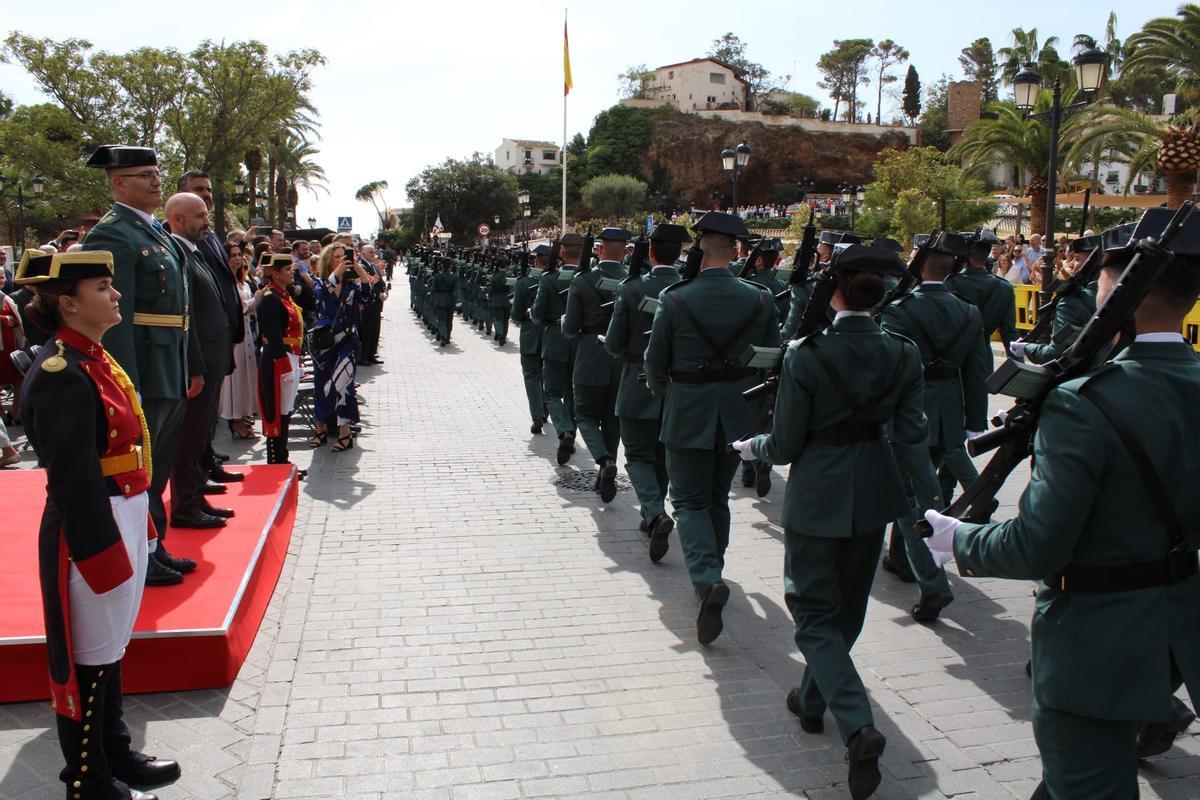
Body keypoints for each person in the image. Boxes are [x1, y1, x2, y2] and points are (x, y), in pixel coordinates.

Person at [923, 207, 1200, 800]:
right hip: (1178, 621)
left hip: (1098, 635)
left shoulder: (1083, 403)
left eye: (1102, 276)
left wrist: (958, 541)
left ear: (1121, 293)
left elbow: (1038, 543)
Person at [732, 243, 938, 800]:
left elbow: (785, 443)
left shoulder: (807, 353)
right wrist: (931, 499)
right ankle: (812, 699)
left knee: (811, 612)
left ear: (837, 289)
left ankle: (858, 725)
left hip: (819, 492)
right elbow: (913, 436)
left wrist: (752, 447)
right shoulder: (903, 352)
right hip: (875, 490)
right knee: (845, 608)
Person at [17, 249, 181, 800]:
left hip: (124, 509)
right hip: (92, 524)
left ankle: (114, 751)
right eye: (102, 289)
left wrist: (145, 524)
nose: (115, 296)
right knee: (90, 659)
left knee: (111, 649)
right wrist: (100, 550)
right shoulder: (62, 371)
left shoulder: (92, 357)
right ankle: (87, 778)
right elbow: (73, 477)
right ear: (68, 303)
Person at [644, 211, 780, 644]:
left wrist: (666, 393)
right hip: (738, 413)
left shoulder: (676, 296)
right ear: (739, 250)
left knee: (686, 500)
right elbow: (772, 356)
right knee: (717, 498)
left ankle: (707, 580)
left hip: (687, 409)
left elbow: (654, 363)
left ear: (699, 245)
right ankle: (714, 568)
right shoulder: (759, 299)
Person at [81, 145, 196, 587]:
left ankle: (155, 547)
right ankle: (142, 554)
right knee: (139, 470)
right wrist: (124, 383)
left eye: (156, 172)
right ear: (118, 183)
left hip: (169, 362)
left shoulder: (153, 231)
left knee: (157, 466)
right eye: (144, 174)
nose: (155, 180)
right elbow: (114, 320)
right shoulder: (114, 235)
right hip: (144, 365)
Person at [879, 234, 990, 620]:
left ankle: (933, 584)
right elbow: (978, 372)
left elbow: (891, 371)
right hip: (949, 413)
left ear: (919, 264)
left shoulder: (900, 310)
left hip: (909, 414)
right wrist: (974, 422)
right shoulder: (967, 310)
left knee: (910, 500)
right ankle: (901, 558)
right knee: (923, 492)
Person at [605, 224, 685, 560]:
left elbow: (613, 343)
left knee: (637, 455)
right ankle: (651, 513)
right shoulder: (686, 287)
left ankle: (653, 511)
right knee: (662, 452)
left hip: (637, 380)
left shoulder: (632, 287)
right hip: (677, 386)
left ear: (650, 253)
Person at [166, 192, 236, 530]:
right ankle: (185, 506)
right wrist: (195, 364)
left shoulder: (197, 252)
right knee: (190, 437)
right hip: (201, 362)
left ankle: (195, 497)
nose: (206, 222)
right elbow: (185, 316)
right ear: (177, 219)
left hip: (213, 358)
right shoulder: (176, 253)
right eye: (199, 216)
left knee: (201, 435)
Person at [563, 227, 630, 502]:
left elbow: (570, 328)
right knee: (612, 417)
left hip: (590, 354)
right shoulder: (632, 280)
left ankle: (604, 462)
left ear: (599, 249)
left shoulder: (582, 280)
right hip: (621, 357)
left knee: (586, 416)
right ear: (625, 251)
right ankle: (610, 464)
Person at [310, 245, 368, 452]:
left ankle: (345, 433)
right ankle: (320, 430)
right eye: (336, 258)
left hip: (346, 340)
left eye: (344, 258)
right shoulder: (319, 282)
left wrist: (359, 270)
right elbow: (323, 294)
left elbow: (367, 296)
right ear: (328, 261)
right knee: (323, 385)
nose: (342, 261)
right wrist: (338, 272)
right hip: (324, 342)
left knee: (344, 384)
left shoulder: (351, 286)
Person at [533, 235, 581, 465]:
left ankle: (565, 431)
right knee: (572, 392)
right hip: (581, 342)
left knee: (551, 392)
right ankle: (571, 430)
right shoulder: (588, 279)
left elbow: (538, 312)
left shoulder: (549, 278)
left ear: (562, 253)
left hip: (554, 338)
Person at [254, 254, 305, 473]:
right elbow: (273, 336)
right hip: (278, 360)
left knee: (286, 411)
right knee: (277, 412)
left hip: (289, 356)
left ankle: (282, 460)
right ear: (275, 273)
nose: (291, 272)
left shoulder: (283, 296)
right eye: (287, 270)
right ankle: (276, 461)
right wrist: (284, 366)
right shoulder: (270, 298)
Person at [219, 242, 259, 439]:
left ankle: (244, 415)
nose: (236, 258)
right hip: (234, 335)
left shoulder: (244, 281)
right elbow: (234, 308)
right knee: (235, 378)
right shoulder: (223, 282)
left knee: (247, 375)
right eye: (232, 255)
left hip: (248, 333)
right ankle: (234, 421)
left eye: (238, 254)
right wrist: (255, 300)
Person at [488, 255, 512, 347]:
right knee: (505, 320)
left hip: (496, 299)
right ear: (506, 266)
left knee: (497, 319)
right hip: (506, 299)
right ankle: (503, 337)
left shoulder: (494, 277)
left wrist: (490, 298)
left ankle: (499, 332)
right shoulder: (509, 275)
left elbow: (491, 290)